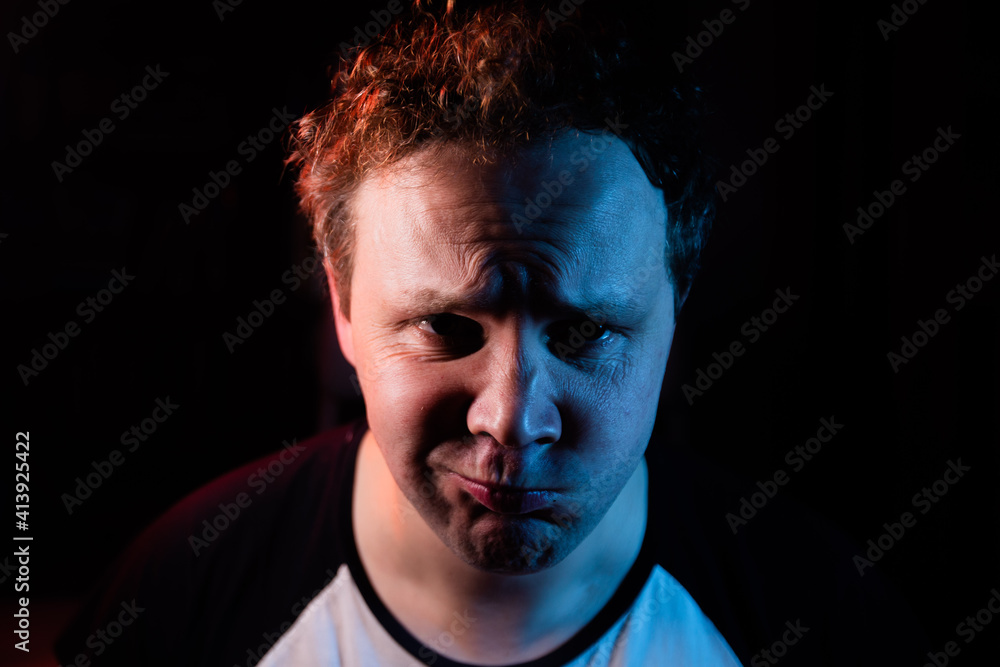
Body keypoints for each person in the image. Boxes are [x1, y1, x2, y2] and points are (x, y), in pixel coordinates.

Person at [55, 1, 926, 665]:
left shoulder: (827, 618)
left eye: (584, 329)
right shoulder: (180, 598)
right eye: (442, 325)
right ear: (344, 308)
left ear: (678, 306)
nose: (510, 418)